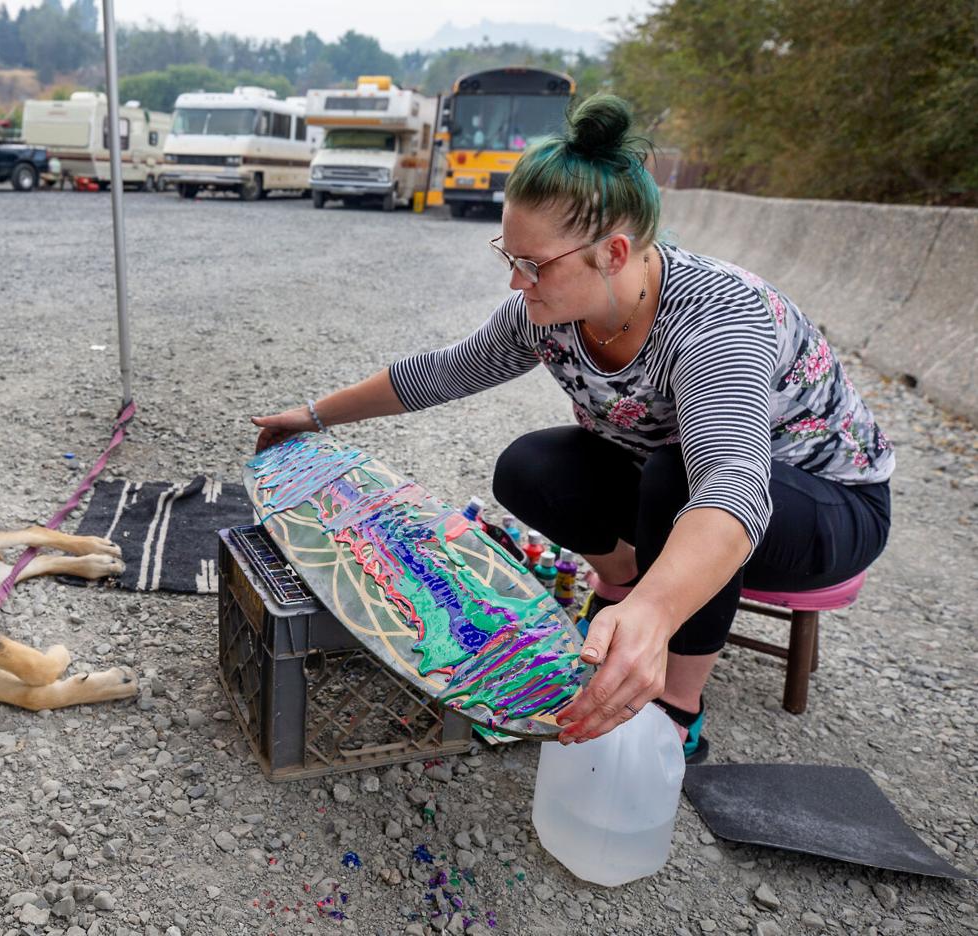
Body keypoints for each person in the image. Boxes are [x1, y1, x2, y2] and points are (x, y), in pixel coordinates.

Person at [252, 94, 892, 762]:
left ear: (613, 252)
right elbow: (443, 371)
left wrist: (656, 613)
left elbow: (731, 484)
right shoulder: (546, 311)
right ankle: (620, 589)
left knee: (680, 478)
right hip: (677, 487)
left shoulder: (715, 321)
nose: (515, 280)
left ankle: (676, 702)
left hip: (823, 505)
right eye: (510, 255)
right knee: (534, 465)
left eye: (532, 264)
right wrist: (314, 414)